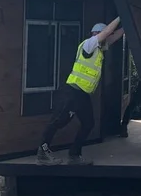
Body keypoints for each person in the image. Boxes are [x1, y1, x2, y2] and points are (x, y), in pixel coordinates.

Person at [37, 18, 124, 166]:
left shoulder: (99, 48)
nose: (108, 38)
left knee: (88, 123)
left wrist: (128, 22)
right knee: (58, 121)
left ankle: (74, 155)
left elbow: (114, 36)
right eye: (105, 35)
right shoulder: (89, 44)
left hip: (82, 95)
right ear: (97, 33)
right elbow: (109, 32)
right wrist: (120, 17)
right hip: (72, 92)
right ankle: (43, 153)